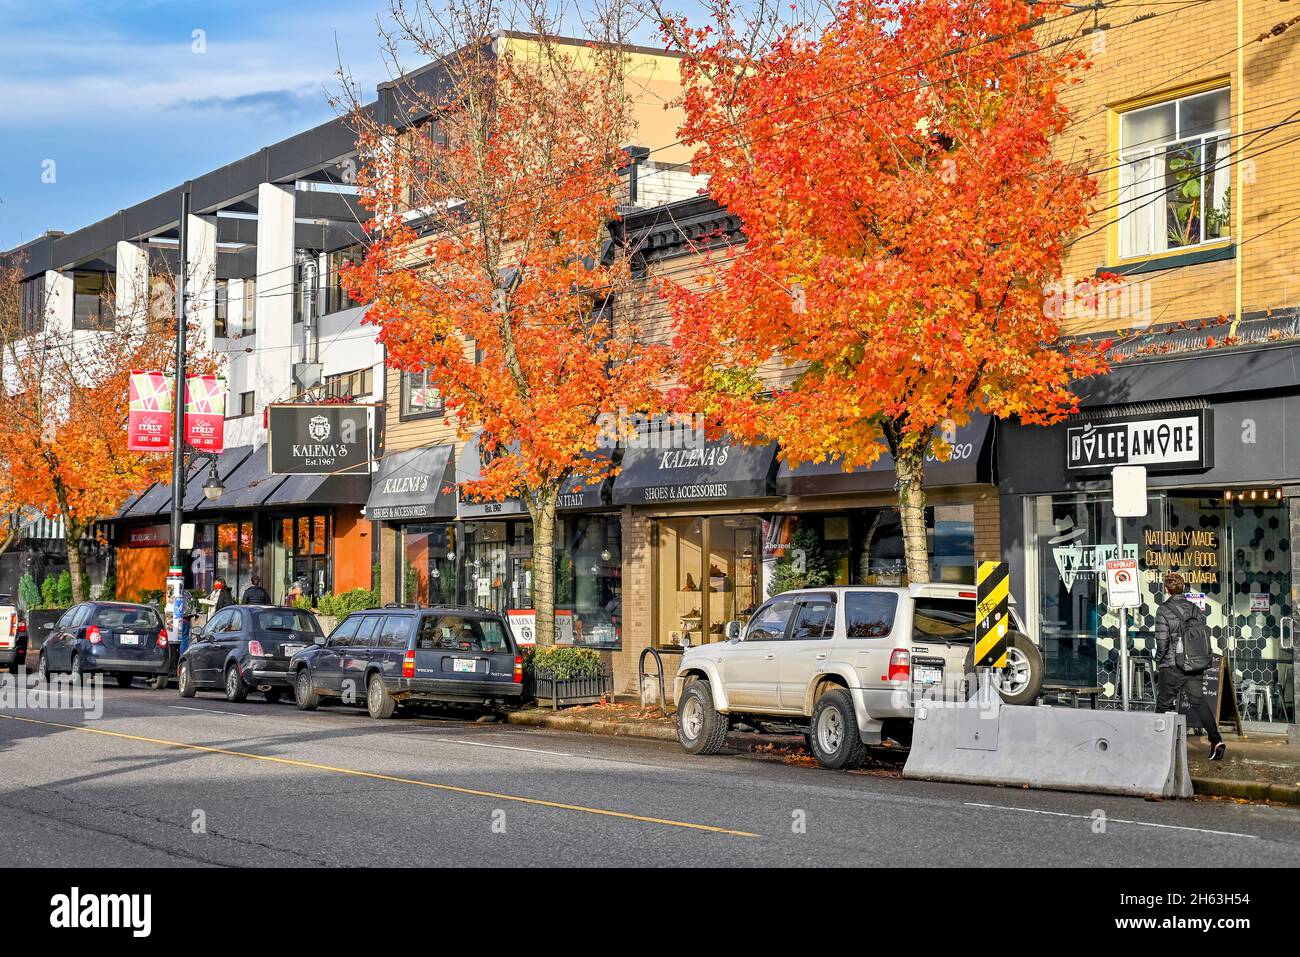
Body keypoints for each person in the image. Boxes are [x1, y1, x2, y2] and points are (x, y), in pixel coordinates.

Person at [1154, 572, 1225, 761]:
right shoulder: (1195, 609)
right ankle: (1216, 740)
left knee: (1163, 704)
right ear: (1183, 587)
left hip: (1172, 665)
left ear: (1167, 589)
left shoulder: (1164, 610)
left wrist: (1159, 660)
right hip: (1195, 664)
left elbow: (1162, 641)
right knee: (1199, 702)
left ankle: (1159, 747)